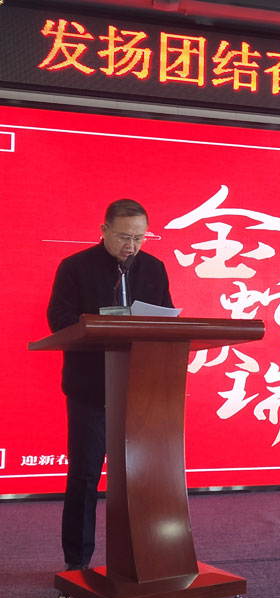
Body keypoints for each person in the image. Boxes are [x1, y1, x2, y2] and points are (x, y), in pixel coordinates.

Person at [47, 199, 173, 571]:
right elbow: (59, 319)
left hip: (140, 388)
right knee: (85, 475)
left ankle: (145, 557)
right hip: (90, 387)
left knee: (142, 478)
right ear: (103, 230)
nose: (131, 246)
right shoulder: (75, 267)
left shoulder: (154, 268)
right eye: (123, 237)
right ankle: (77, 563)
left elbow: (167, 319)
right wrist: (107, 323)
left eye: (139, 237)